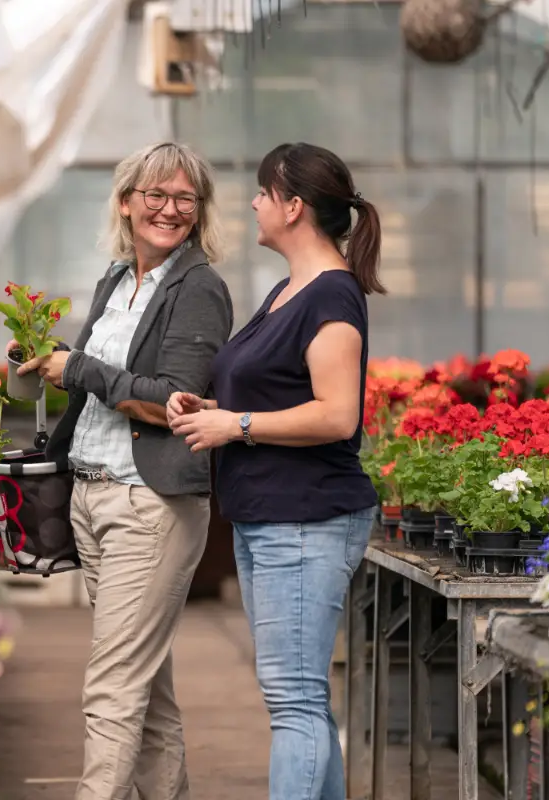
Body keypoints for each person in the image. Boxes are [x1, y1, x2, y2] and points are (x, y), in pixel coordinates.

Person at [16, 142, 234, 800]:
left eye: (184, 200)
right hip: (93, 499)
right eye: (155, 195)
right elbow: (94, 385)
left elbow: (176, 401)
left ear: (199, 213)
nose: (169, 210)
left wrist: (77, 367)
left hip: (151, 507)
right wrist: (50, 366)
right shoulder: (117, 280)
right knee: (146, 692)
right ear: (125, 201)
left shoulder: (199, 288)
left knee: (111, 690)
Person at [166, 142, 383, 800]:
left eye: (265, 192)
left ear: (293, 206)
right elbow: (280, 391)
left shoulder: (332, 297)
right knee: (301, 701)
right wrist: (213, 408)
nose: (254, 203)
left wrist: (236, 426)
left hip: (307, 518)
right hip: (270, 517)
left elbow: (338, 415)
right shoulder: (288, 291)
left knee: (293, 703)